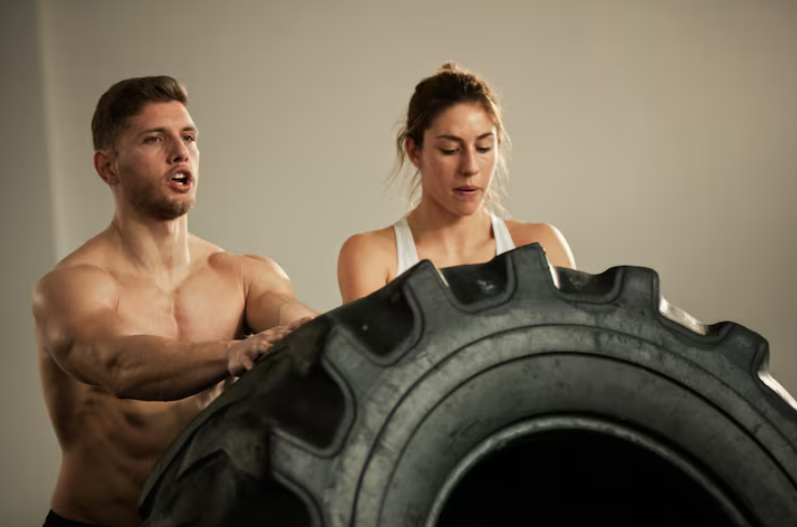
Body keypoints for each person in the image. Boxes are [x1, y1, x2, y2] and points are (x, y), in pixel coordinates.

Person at [31, 76, 317, 527]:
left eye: (188, 137)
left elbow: (289, 317)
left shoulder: (244, 274)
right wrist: (233, 351)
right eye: (154, 139)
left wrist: (316, 329)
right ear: (108, 168)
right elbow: (116, 363)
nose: (180, 152)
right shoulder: (70, 286)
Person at [337, 63, 575, 303]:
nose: (470, 167)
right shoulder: (373, 256)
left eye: (483, 148)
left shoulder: (543, 246)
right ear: (414, 151)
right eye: (449, 150)